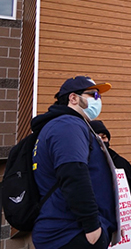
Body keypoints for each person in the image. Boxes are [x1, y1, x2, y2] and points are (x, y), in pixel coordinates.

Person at [31, 76, 120, 249]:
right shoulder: (68, 124)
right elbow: (73, 173)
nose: (98, 101)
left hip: (70, 232)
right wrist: (93, 227)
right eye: (94, 95)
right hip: (70, 233)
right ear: (73, 98)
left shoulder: (67, 125)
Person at [90, 120, 131, 248]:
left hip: (129, 234)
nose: (102, 141)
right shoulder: (86, 166)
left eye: (104, 137)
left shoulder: (122, 163)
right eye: (97, 137)